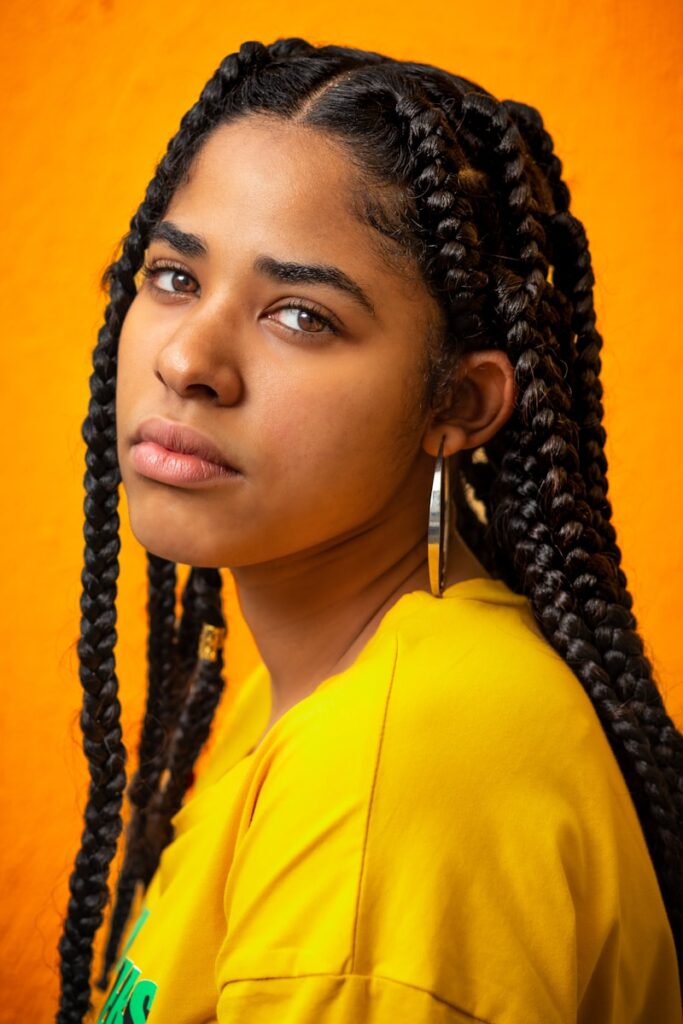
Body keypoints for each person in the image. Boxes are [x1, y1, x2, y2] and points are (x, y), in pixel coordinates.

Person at [56, 36, 682, 1024]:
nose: (188, 359)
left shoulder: (395, 772)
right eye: (174, 277)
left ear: (460, 402)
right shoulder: (319, 690)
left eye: (300, 315)